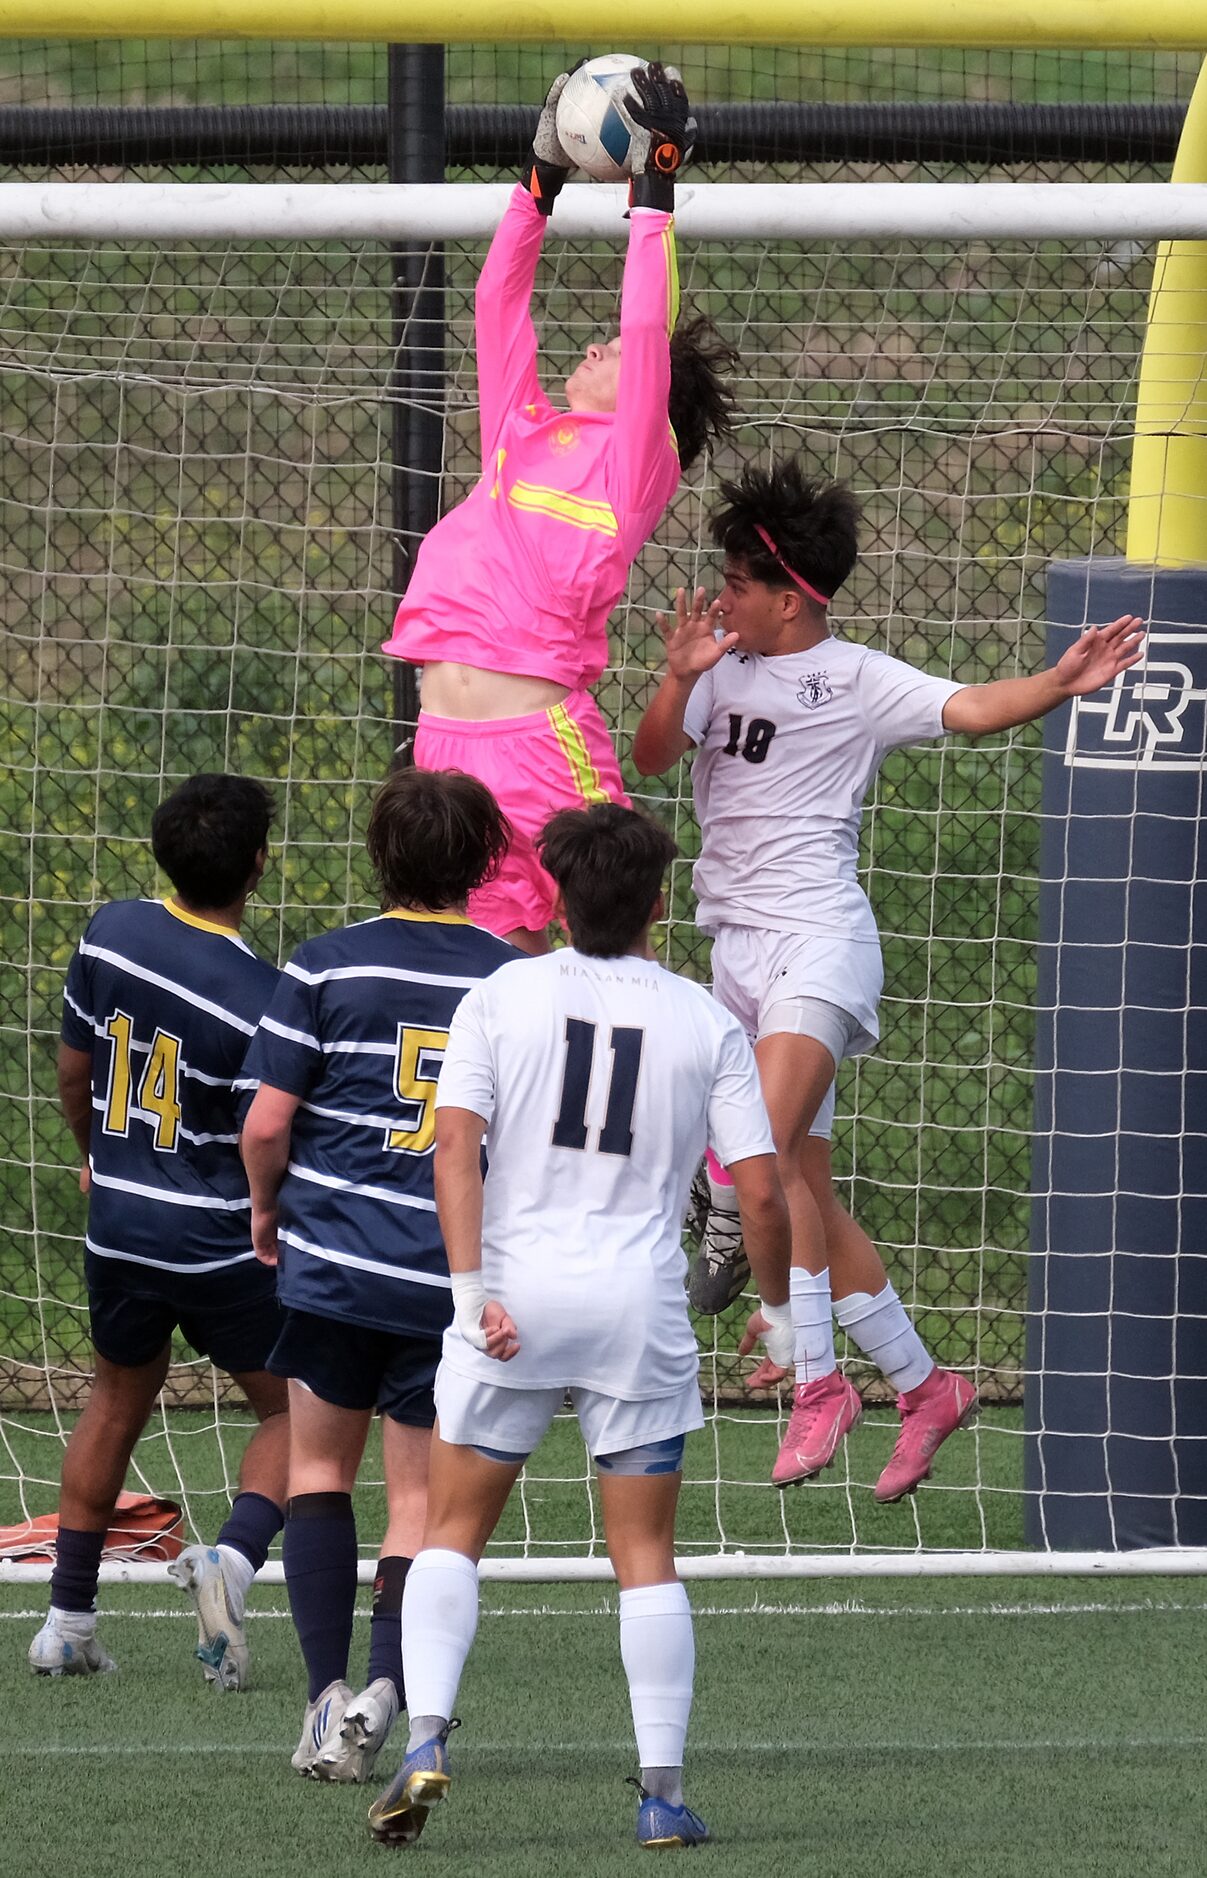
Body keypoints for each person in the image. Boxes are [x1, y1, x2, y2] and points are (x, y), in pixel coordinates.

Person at [632, 458, 1147, 1501]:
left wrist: (1055, 684)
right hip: (733, 949)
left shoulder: (858, 678)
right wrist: (680, 673)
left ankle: (816, 1381)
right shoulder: (716, 668)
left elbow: (966, 707)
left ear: (787, 596)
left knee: (761, 1157)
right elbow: (648, 759)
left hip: (817, 941)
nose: (716, 594)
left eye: (734, 580)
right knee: (803, 1185)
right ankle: (926, 1387)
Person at [366, 803, 793, 1852]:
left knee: (451, 1534)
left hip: (512, 1303)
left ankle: (424, 1746)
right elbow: (764, 1192)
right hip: (635, 1311)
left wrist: (469, 1297)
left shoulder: (502, 994)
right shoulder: (704, 1020)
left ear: (557, 899)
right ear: (659, 907)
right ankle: (659, 1794)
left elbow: (453, 1147)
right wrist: (782, 1313)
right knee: (644, 1554)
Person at [381, 61, 736, 955]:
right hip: (444, 747)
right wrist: (536, 181)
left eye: (609, 347)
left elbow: (648, 324)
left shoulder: (634, 462)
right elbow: (494, 301)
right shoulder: (520, 431)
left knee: (613, 958)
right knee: (495, 976)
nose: (596, 343)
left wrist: (651, 188)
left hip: (543, 748)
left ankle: (661, 1090)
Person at [238, 768, 515, 1784]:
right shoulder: (509, 978)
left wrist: (267, 1207)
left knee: (317, 1473)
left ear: (377, 854)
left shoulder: (323, 967)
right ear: (483, 862)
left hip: (336, 1266)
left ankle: (321, 1706)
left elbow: (267, 1123)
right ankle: (385, 1690)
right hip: (445, 1278)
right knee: (418, 1504)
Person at [29, 774, 289, 1689]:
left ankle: (65, 1622)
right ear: (258, 864)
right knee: (299, 1406)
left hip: (119, 1226)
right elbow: (267, 1135)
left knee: (113, 1401)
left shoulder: (110, 933)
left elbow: (73, 1075)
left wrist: (96, 1155)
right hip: (215, 1241)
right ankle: (235, 1560)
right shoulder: (264, 995)